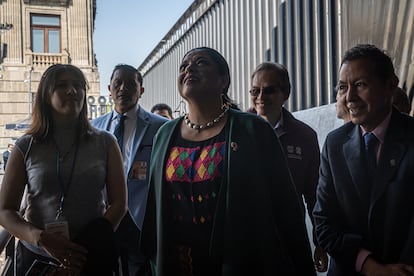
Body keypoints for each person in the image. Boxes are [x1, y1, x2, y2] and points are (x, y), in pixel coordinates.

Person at [141, 47, 315, 275]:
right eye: (183, 66)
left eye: (201, 63)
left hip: (239, 262)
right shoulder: (165, 135)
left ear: (223, 80)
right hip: (177, 263)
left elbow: (286, 209)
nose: (189, 69)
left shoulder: (253, 129)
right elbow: (155, 211)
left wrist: (302, 265)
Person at [0, 64, 127, 275]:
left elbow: (119, 204)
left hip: (88, 259)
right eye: (62, 85)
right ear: (45, 95)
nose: (72, 90)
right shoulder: (26, 146)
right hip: (37, 259)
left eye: (78, 85)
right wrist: (40, 238)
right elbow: (5, 211)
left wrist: (86, 247)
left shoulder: (106, 143)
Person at [313, 44, 414, 275]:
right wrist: (368, 265)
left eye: (360, 85)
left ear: (390, 85)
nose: (349, 97)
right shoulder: (335, 144)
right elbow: (324, 220)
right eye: (342, 87)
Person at [250, 61, 328, 273]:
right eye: (255, 91)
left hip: (289, 238)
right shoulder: (236, 132)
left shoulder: (304, 136)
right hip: (246, 240)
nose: (260, 97)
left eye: (269, 90)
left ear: (286, 93)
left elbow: (314, 194)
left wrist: (320, 242)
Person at [92, 64, 167, 276]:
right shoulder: (94, 127)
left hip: (141, 217)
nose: (123, 89)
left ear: (141, 90)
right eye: (117, 83)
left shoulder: (160, 126)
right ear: (109, 88)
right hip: (105, 216)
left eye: (130, 84)